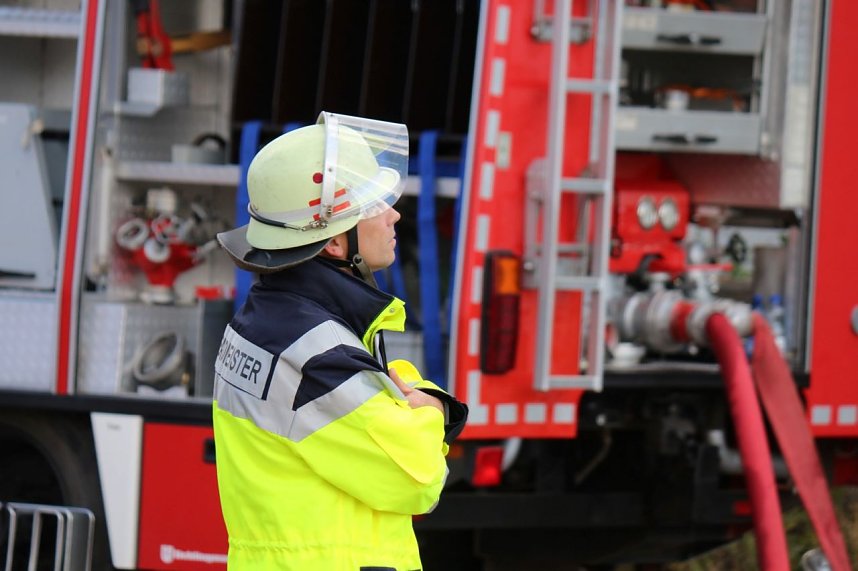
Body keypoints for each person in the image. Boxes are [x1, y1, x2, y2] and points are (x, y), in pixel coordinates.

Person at [212, 111, 468, 570]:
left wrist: (394, 391)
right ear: (333, 243)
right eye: (372, 204)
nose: (393, 213)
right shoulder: (316, 354)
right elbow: (415, 478)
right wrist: (430, 408)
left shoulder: (271, 322)